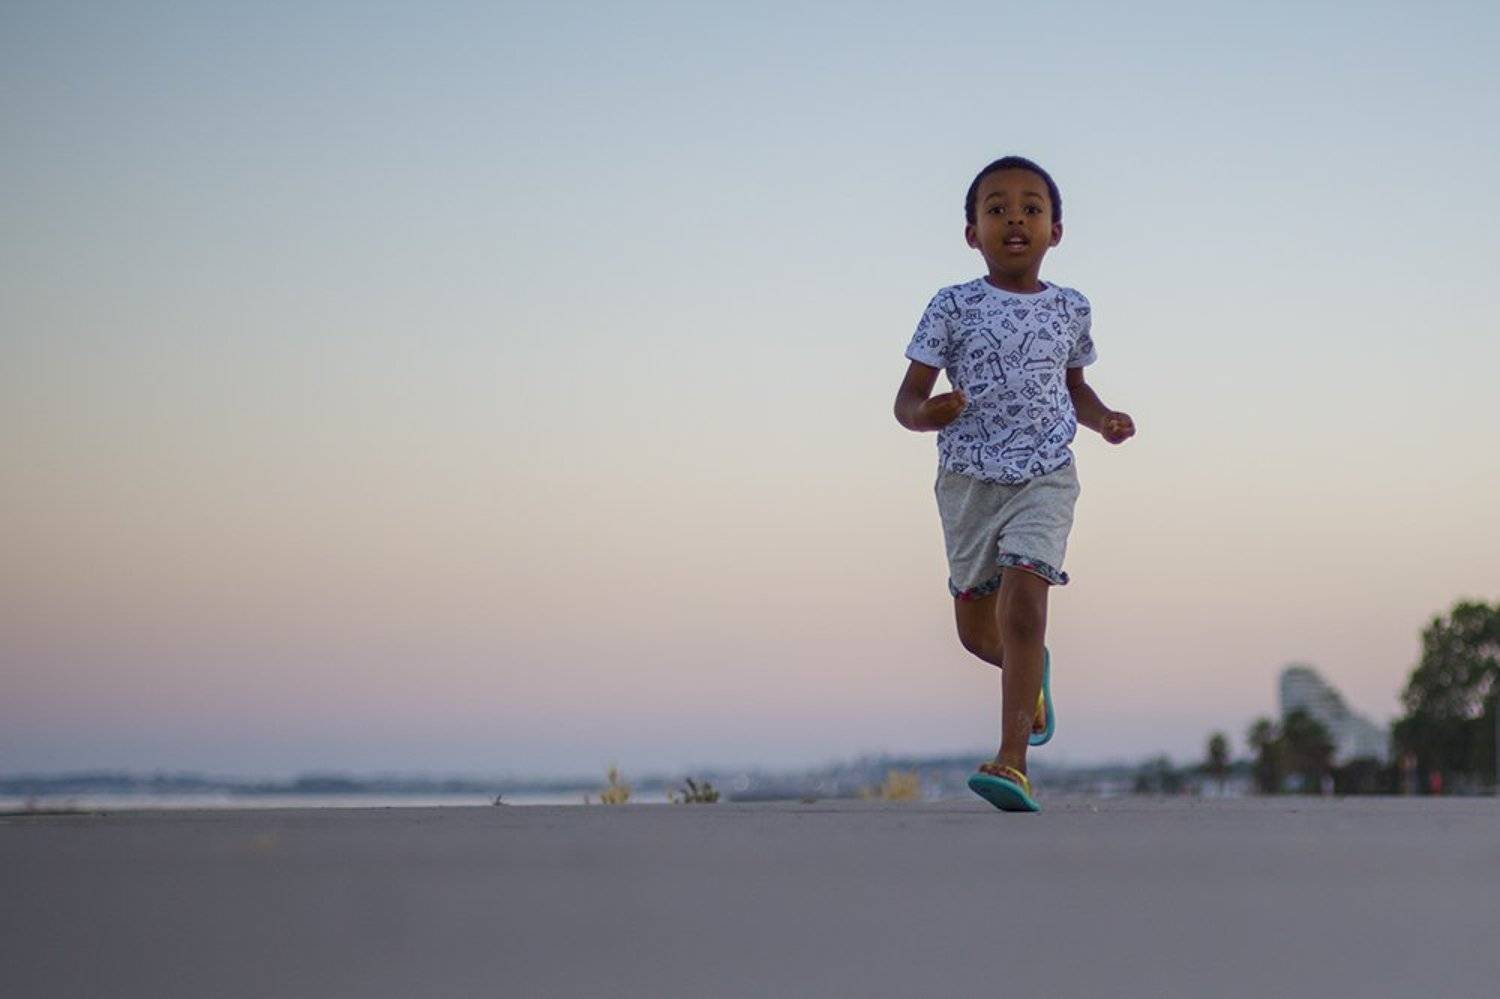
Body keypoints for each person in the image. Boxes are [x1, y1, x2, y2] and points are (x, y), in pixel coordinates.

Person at [893, 156, 1135, 811]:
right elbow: (906, 399)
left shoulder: (1070, 308)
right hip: (969, 481)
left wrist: (1103, 418)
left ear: (1056, 229)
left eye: (1031, 207)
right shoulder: (952, 304)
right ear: (972, 232)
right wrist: (926, 413)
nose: (1015, 219)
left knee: (1025, 606)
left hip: (1044, 476)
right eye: (996, 209)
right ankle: (1033, 676)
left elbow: (1074, 387)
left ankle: (1012, 760)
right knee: (978, 634)